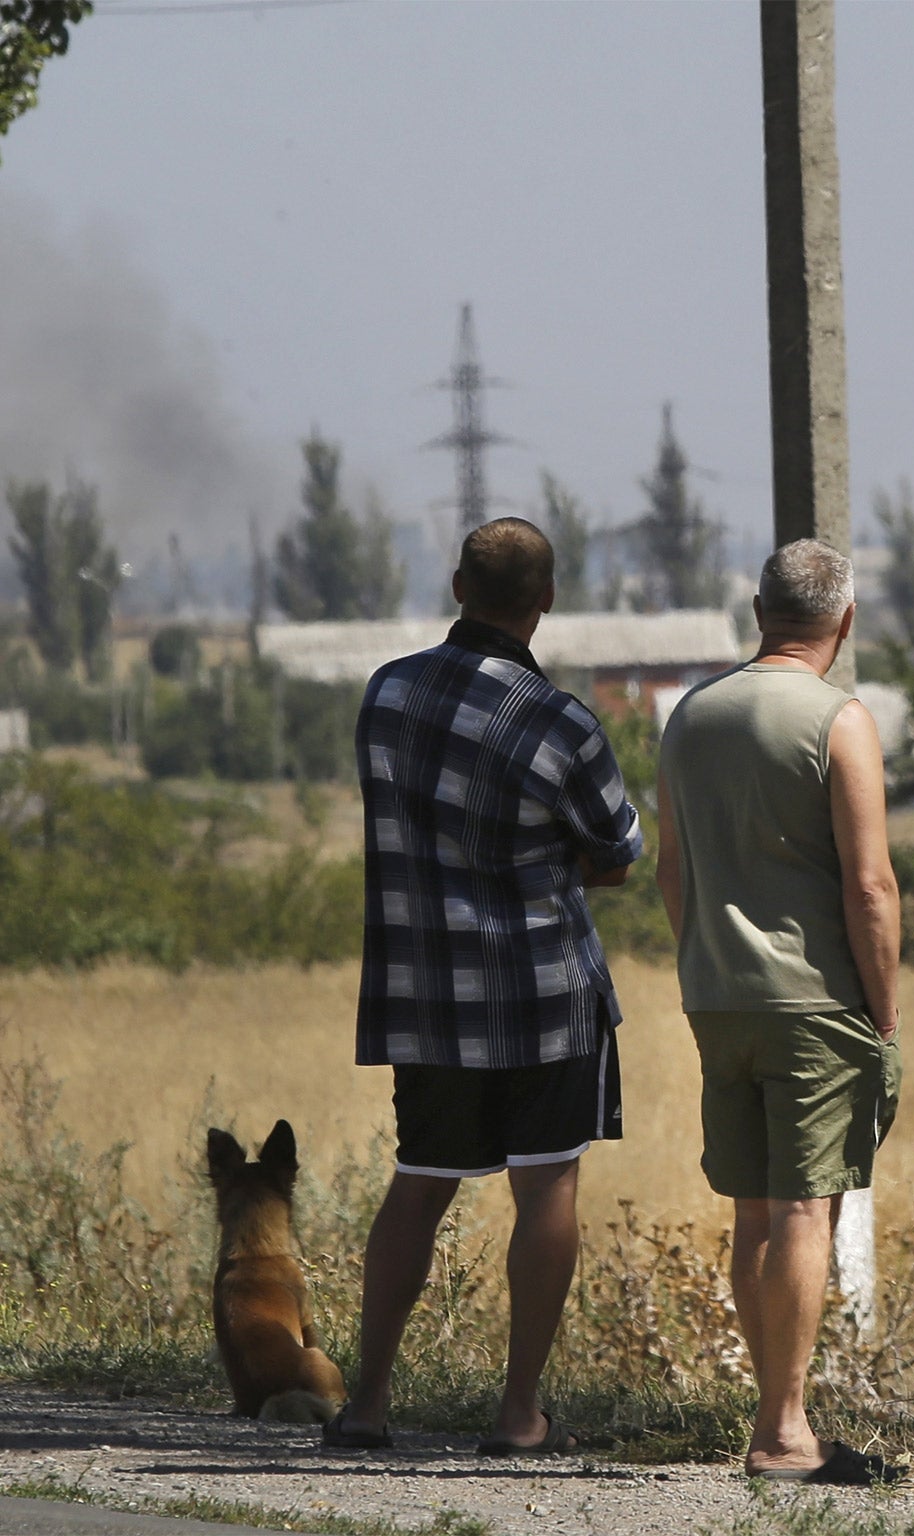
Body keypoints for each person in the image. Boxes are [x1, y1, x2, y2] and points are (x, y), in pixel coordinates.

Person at [325, 517, 643, 1456]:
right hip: (545, 995)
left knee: (418, 1184)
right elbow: (618, 852)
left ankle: (368, 1404)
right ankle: (517, 1415)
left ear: (458, 586)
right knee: (547, 1192)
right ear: (546, 603)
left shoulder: (388, 694)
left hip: (424, 996)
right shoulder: (563, 722)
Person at [655, 539, 903, 1487]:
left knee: (754, 1210)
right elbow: (871, 887)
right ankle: (783, 1429)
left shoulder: (690, 716)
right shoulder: (840, 721)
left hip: (718, 995)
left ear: (758, 611)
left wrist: (704, 961)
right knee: (807, 1207)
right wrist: (882, 1007)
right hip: (815, 1000)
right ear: (843, 621)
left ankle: (771, 1411)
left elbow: (674, 871)